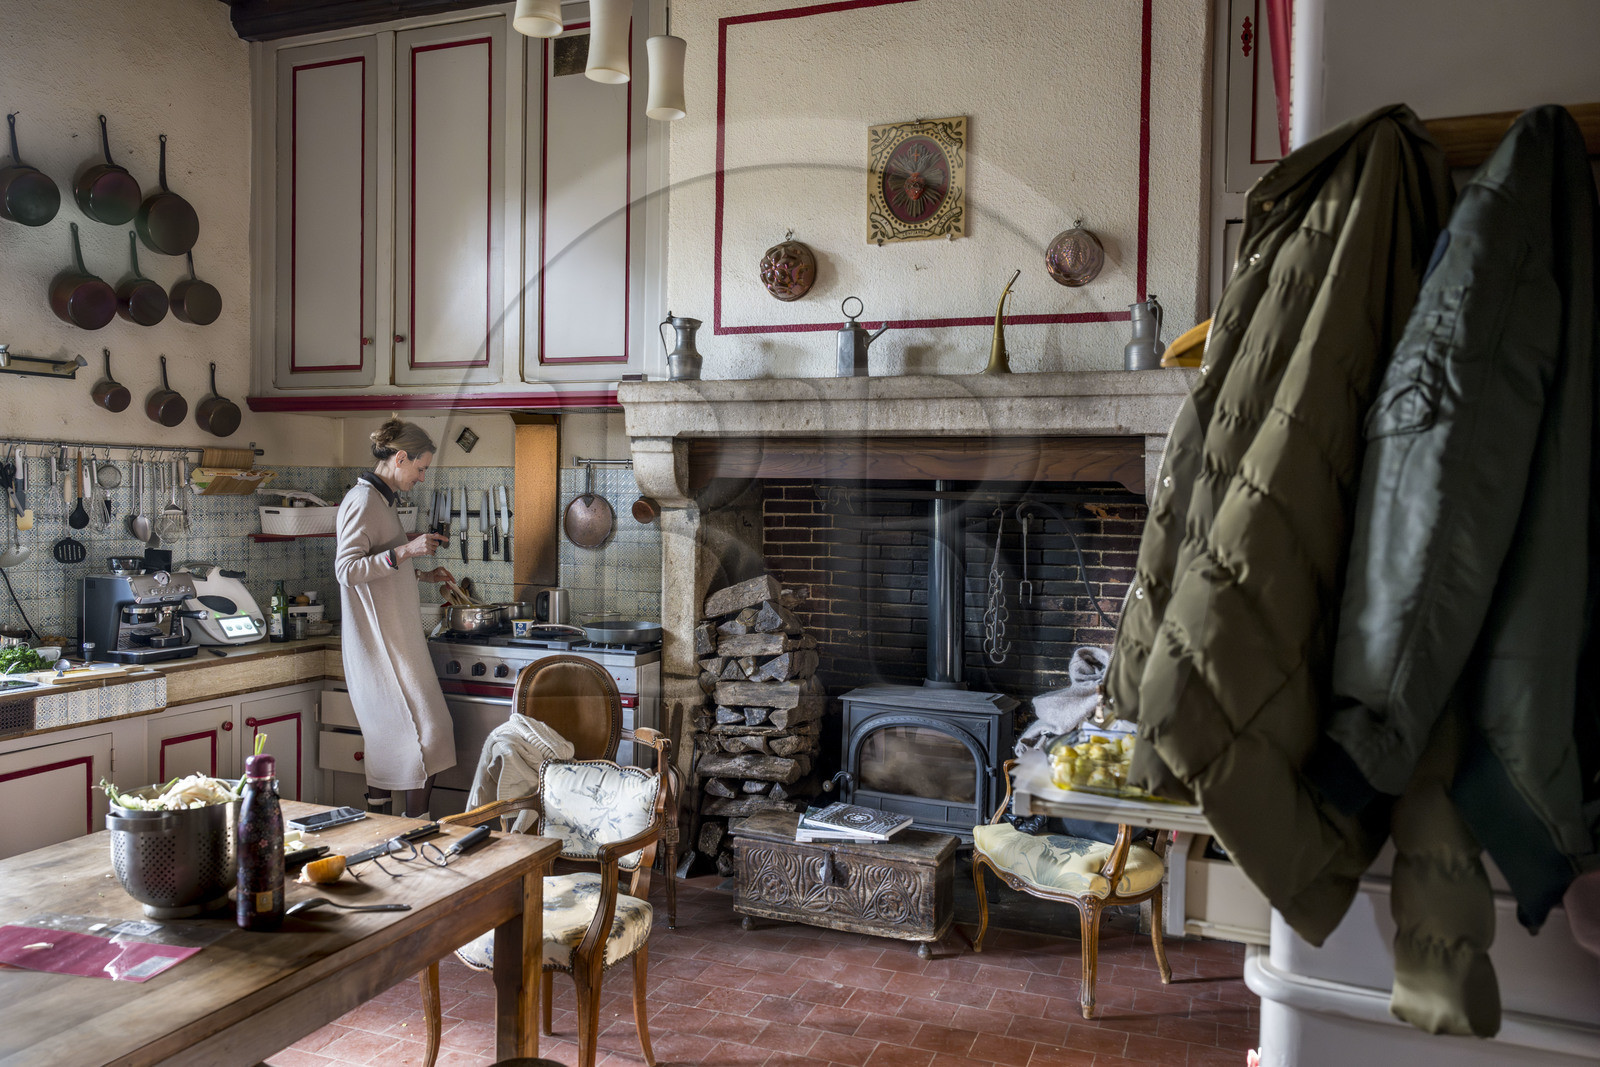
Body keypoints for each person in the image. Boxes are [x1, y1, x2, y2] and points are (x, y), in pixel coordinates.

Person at [335, 418, 456, 817]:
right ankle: (410, 825)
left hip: (397, 638)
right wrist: (406, 551)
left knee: (395, 738)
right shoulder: (362, 500)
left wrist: (420, 570)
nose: (421, 477)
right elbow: (347, 570)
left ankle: (387, 822)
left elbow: (381, 565)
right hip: (379, 644)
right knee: (425, 735)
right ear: (400, 458)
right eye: (420, 468)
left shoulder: (382, 501)